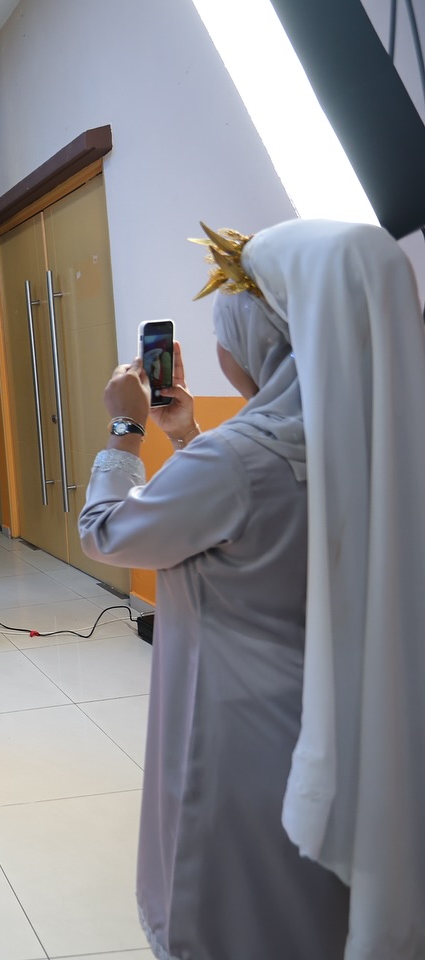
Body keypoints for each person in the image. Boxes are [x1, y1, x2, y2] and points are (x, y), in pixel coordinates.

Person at [78, 219, 425, 960]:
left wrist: (126, 428)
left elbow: (108, 532)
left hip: (246, 737)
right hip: (361, 719)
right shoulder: (385, 437)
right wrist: (188, 437)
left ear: (263, 340)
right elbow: (267, 523)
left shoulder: (239, 460)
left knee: (246, 920)